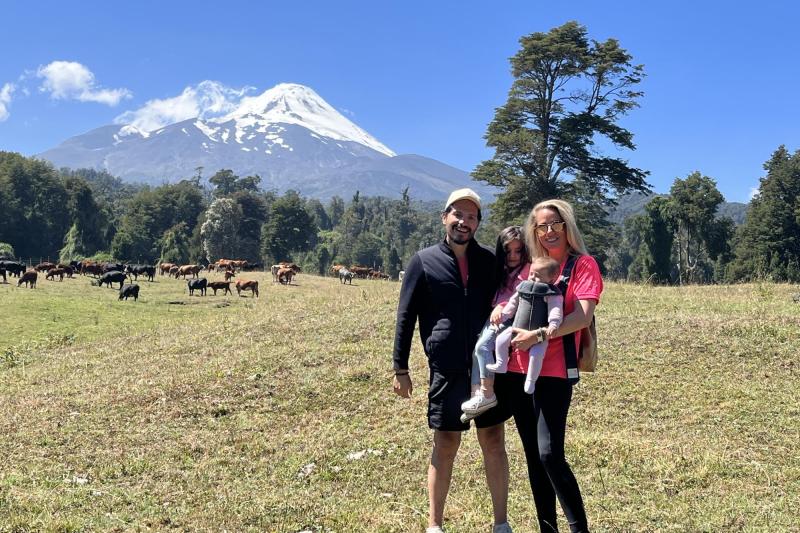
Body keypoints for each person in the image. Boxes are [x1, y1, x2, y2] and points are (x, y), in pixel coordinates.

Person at [392, 188, 513, 533]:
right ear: (444, 217)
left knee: (493, 440)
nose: (464, 221)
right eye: (457, 214)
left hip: (486, 369)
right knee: (445, 442)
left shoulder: (490, 261)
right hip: (445, 368)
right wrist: (400, 368)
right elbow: (405, 316)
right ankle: (435, 525)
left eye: (471, 216)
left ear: (478, 223)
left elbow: (509, 302)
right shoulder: (423, 260)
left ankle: (501, 524)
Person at [490, 199, 602, 533]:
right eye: (542, 226)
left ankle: (579, 529)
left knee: (550, 453)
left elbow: (582, 317)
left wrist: (538, 334)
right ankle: (547, 528)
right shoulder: (530, 266)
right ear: (534, 231)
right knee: (534, 458)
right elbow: (511, 302)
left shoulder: (582, 266)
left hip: (554, 372)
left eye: (555, 224)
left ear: (568, 226)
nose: (549, 231)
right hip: (517, 371)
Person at [485, 256, 563, 395]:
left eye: (537, 276)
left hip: (538, 333)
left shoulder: (552, 294)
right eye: (531, 273)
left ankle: (531, 380)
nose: (532, 278)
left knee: (537, 354)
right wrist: (503, 316)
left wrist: (553, 323)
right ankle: (501, 364)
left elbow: (555, 309)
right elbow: (512, 304)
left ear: (551, 280)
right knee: (501, 340)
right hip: (516, 328)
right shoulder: (522, 287)